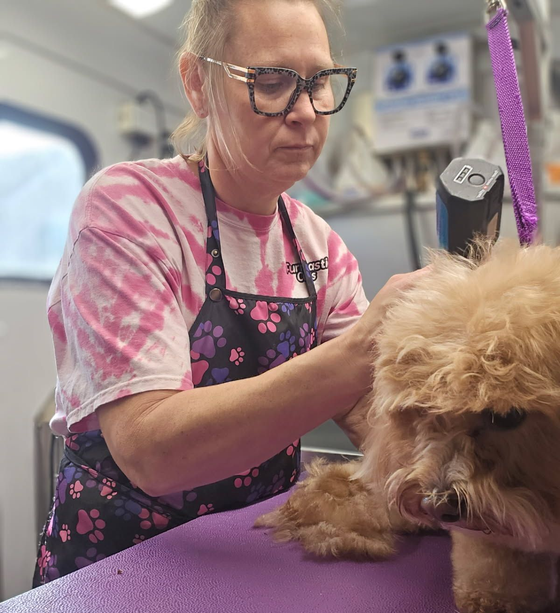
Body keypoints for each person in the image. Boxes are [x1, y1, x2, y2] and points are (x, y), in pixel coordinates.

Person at [33, 0, 429, 586]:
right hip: (118, 568)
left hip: (252, 557)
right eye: (270, 82)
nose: (305, 112)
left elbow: (370, 412)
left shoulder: (320, 247)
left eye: (320, 83)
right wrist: (361, 350)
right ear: (198, 84)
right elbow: (153, 450)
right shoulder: (131, 209)